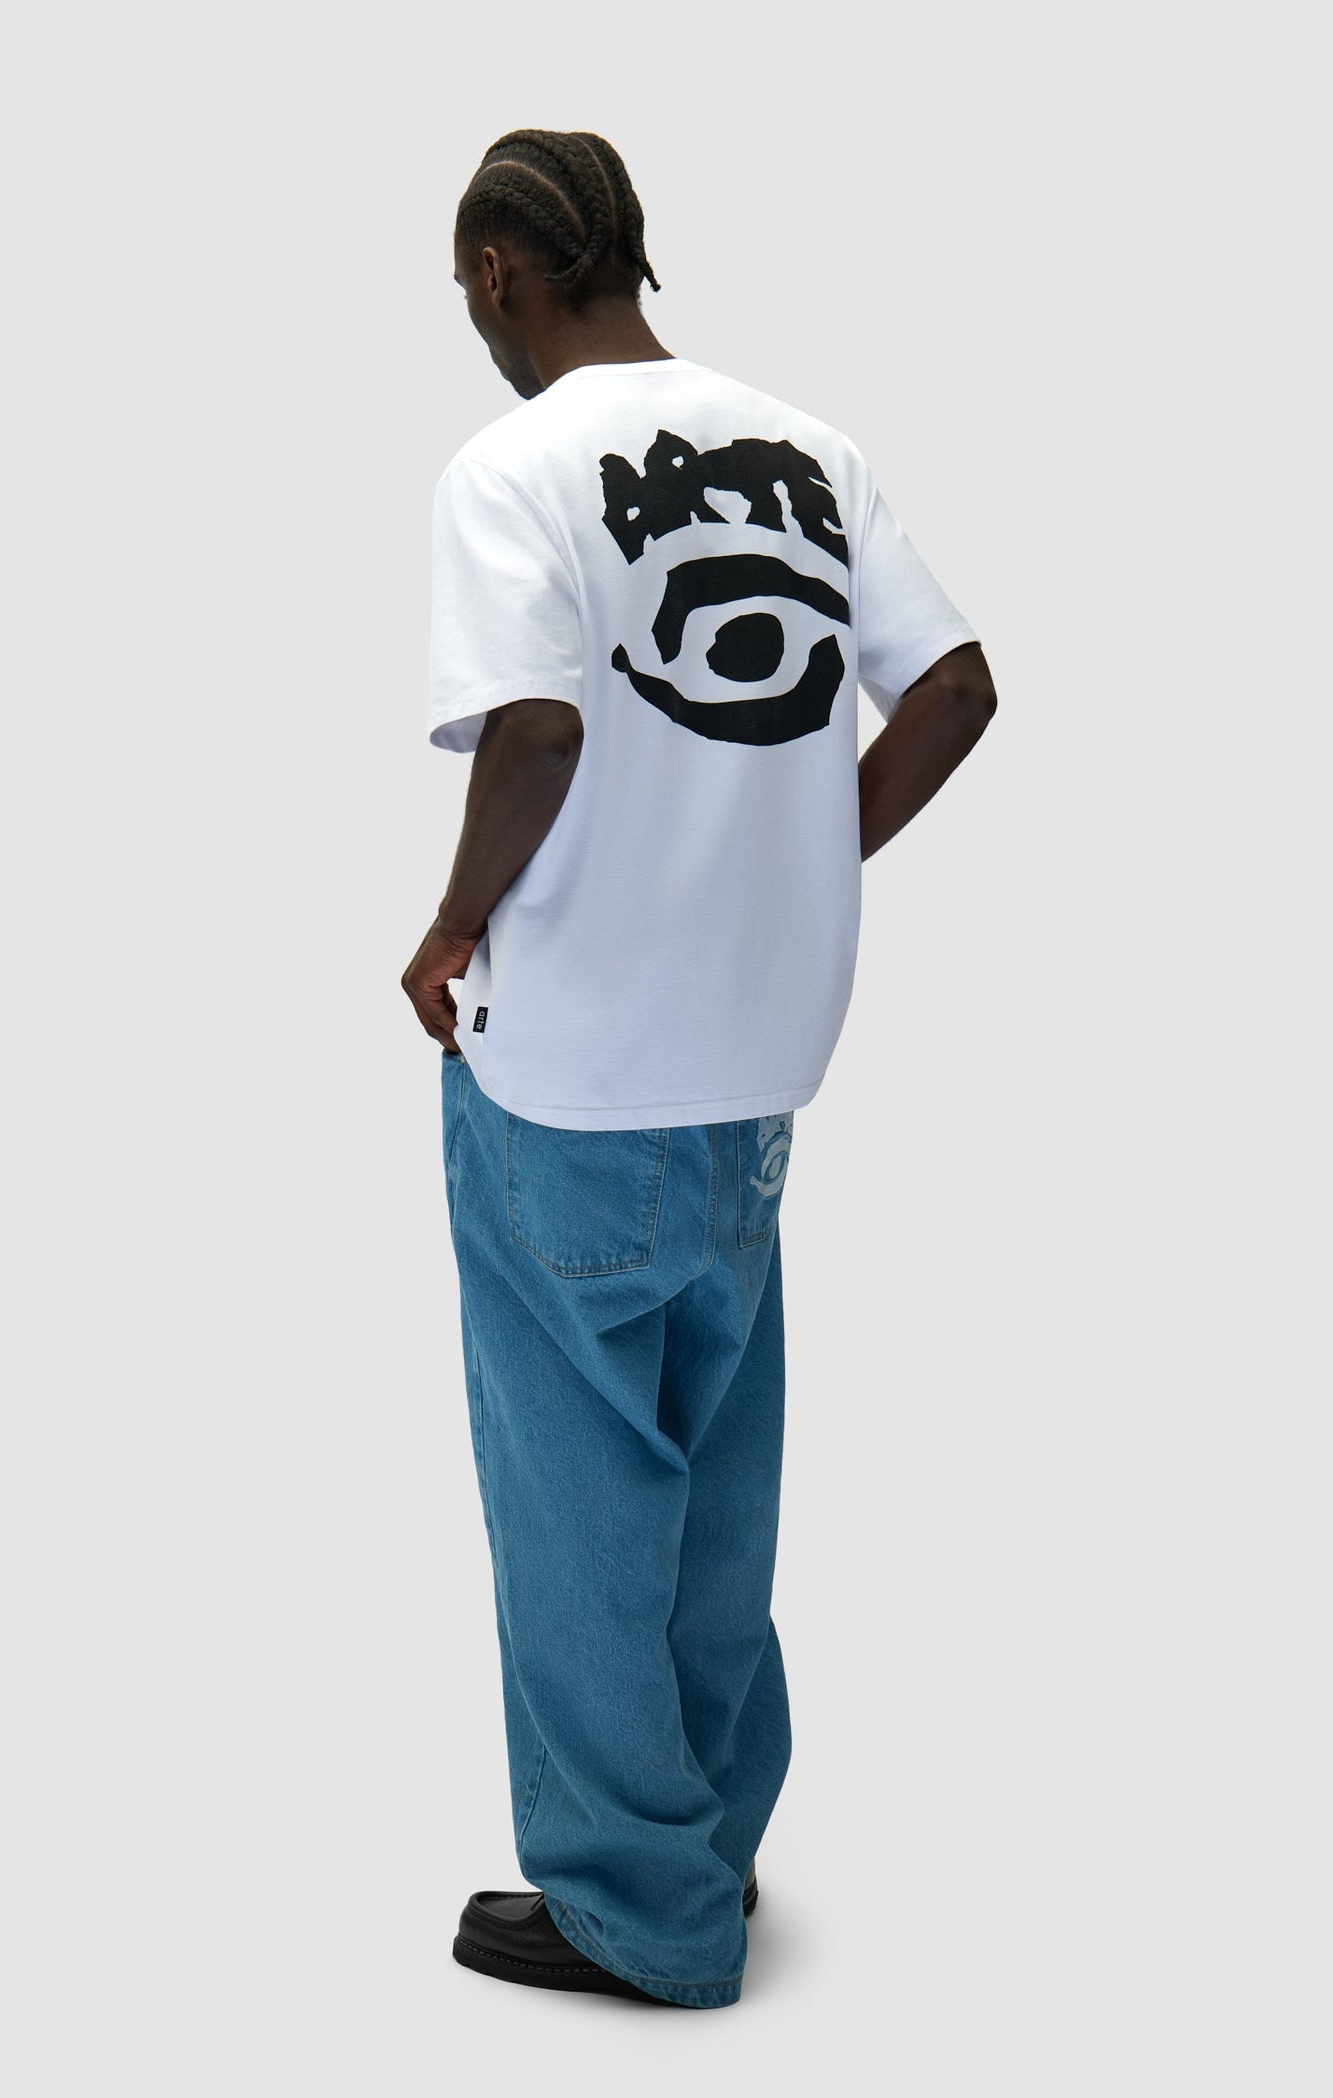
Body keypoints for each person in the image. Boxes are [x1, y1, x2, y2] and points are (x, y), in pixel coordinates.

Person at [402, 127, 998, 2010]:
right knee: (720, 1469)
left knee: (579, 1491)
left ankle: (635, 1907)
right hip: (758, 1068)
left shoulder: (510, 466)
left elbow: (534, 729)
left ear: (502, 270)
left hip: (575, 1071)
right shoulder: (811, 449)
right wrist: (808, 855)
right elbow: (958, 684)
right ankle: (710, 1843)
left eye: (467, 291)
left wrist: (448, 926)